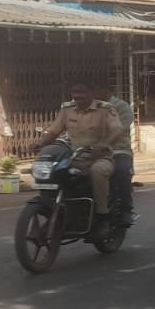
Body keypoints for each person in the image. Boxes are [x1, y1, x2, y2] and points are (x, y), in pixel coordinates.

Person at [37, 82, 123, 236]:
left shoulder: (105, 109)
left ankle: (103, 217)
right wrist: (40, 143)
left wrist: (104, 144)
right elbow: (54, 131)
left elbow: (117, 130)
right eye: (74, 92)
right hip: (75, 158)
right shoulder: (67, 109)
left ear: (91, 93)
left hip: (100, 157)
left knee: (98, 172)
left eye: (81, 92)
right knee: (54, 172)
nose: (77, 96)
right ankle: (54, 213)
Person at [106, 85, 136, 226]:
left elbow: (119, 130)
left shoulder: (121, 107)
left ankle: (126, 209)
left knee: (121, 170)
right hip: (87, 150)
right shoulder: (80, 107)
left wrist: (102, 143)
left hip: (118, 149)